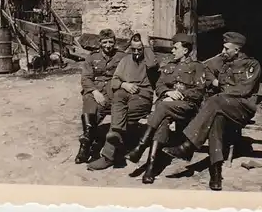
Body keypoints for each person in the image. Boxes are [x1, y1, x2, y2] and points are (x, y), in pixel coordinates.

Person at [162, 31, 262, 191]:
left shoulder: (252, 65)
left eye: (226, 49)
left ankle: (188, 146)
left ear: (237, 50)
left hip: (242, 109)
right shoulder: (224, 61)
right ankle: (216, 172)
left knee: (215, 101)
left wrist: (220, 84)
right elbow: (205, 66)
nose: (223, 52)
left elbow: (242, 90)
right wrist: (213, 80)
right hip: (223, 107)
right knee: (216, 119)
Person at [125, 33, 206, 184]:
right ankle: (150, 167)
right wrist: (168, 92)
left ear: (186, 50)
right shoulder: (169, 65)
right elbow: (159, 85)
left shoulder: (197, 67)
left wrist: (179, 94)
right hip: (166, 105)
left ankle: (140, 147)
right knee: (162, 119)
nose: (172, 51)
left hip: (187, 106)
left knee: (161, 107)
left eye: (175, 48)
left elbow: (199, 92)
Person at [87, 33, 159, 171]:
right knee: (118, 99)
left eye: (140, 49)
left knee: (120, 116)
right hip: (125, 94)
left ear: (144, 48)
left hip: (141, 96)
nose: (136, 53)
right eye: (134, 49)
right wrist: (124, 84)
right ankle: (116, 141)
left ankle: (110, 155)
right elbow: (114, 81)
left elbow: (152, 64)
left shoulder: (149, 60)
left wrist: (147, 45)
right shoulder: (125, 60)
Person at [75, 29, 126, 164]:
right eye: (105, 42)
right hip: (95, 89)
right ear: (100, 43)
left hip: (112, 89)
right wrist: (94, 91)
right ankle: (85, 145)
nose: (108, 45)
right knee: (89, 102)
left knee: (100, 110)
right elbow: (86, 78)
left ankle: (86, 144)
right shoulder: (92, 57)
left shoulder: (121, 56)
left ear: (114, 42)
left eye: (111, 42)